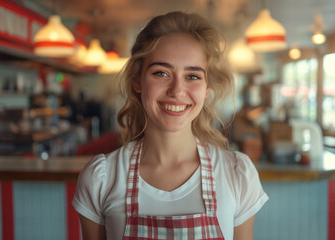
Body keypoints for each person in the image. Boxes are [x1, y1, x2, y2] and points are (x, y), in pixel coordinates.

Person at [72, 11, 268, 240]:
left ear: (207, 89)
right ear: (138, 80)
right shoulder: (102, 179)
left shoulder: (237, 175)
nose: (176, 91)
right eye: (161, 73)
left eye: (193, 76)